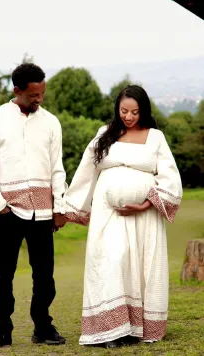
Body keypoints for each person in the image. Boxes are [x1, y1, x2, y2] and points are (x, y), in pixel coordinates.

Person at [64, 85, 182, 348]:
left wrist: (146, 204)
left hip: (145, 217)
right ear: (117, 109)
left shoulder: (155, 138)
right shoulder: (104, 134)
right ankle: (112, 329)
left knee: (139, 267)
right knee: (112, 260)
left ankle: (134, 329)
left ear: (144, 111)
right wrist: (70, 207)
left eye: (135, 112)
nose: (129, 117)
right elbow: (86, 171)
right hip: (110, 215)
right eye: (124, 111)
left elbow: (171, 178)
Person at [0, 63, 67, 350]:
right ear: (17, 90)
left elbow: (57, 168)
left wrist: (59, 206)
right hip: (8, 211)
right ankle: (2, 330)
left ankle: (43, 327)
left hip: (42, 212)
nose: (39, 99)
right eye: (33, 95)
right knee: (4, 275)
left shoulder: (51, 122)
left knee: (45, 275)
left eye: (42, 92)